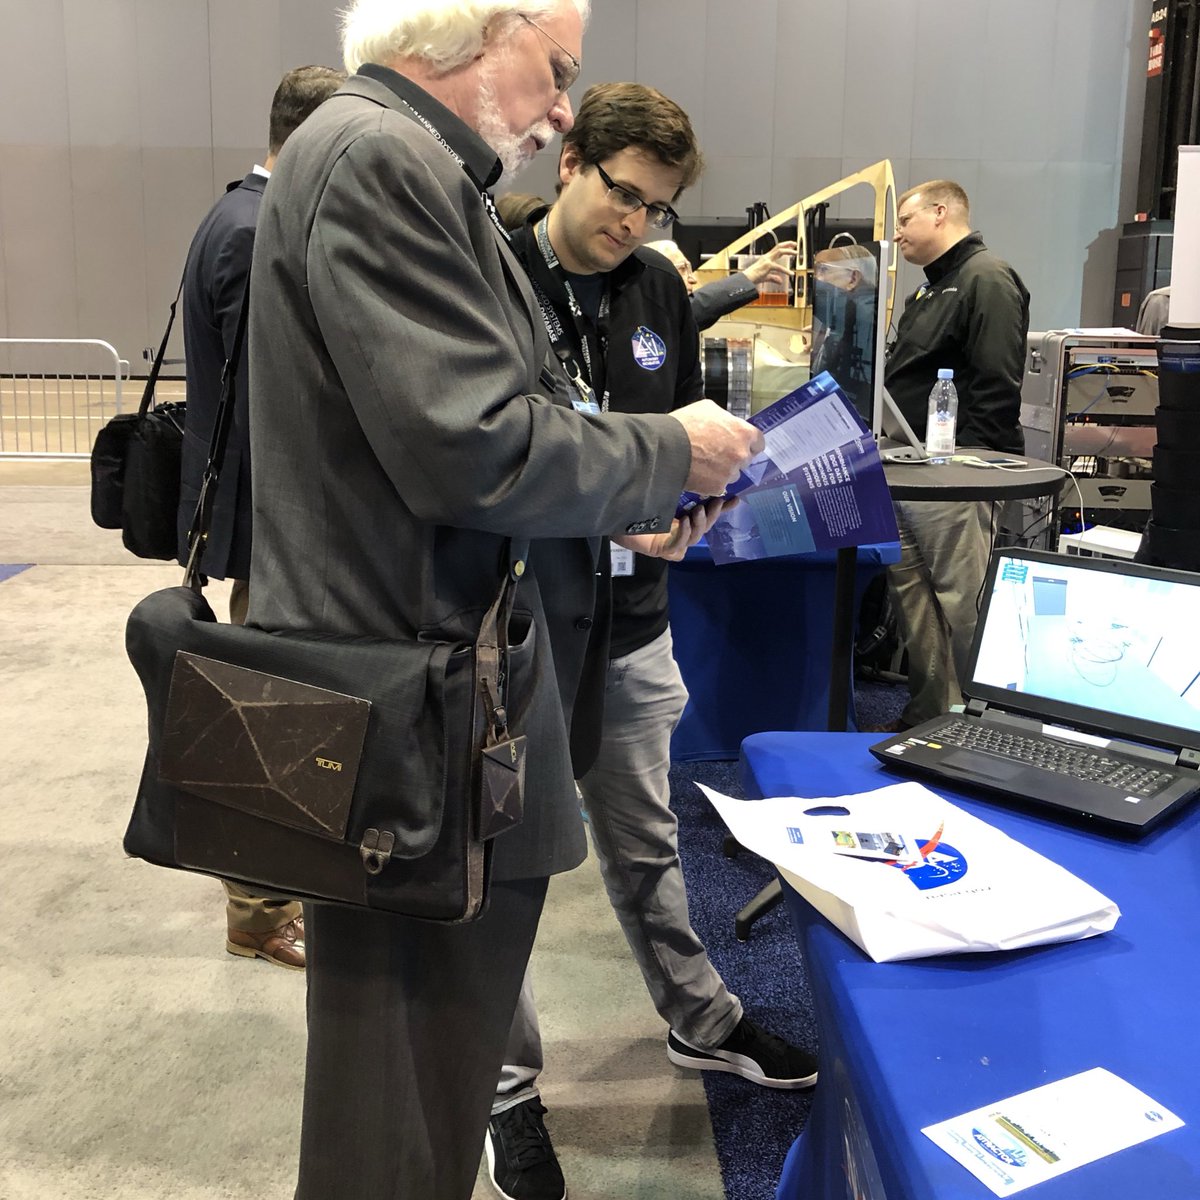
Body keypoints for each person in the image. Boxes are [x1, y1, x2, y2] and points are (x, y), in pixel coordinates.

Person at [245, 4, 763, 1198]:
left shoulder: (402, 160)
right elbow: (470, 444)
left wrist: (609, 498)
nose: (563, 108)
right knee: (401, 1103)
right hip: (413, 708)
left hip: (437, 690)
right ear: (473, 33)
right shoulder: (383, 157)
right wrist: (662, 452)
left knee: (423, 1083)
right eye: (558, 69)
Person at [489, 82, 819, 1200]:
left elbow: (678, 440)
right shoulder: (487, 270)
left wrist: (697, 508)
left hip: (631, 624)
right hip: (514, 631)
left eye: (655, 207)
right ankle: (503, 1089)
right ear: (570, 159)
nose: (631, 221)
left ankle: (700, 1020)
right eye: (620, 194)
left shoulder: (656, 294)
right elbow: (473, 455)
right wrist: (599, 495)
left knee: (645, 841)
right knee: (504, 868)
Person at [174, 63, 346, 970]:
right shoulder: (253, 229)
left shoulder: (239, 212)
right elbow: (268, 398)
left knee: (276, 712)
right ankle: (259, 914)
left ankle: (269, 900)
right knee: (266, 719)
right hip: (264, 521)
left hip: (265, 520)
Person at [879, 179, 1030, 730]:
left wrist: (970, 471)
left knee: (966, 606)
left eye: (905, 221)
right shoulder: (928, 291)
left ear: (941, 213)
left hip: (956, 477)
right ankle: (933, 716)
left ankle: (994, 727)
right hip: (907, 468)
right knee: (913, 604)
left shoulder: (986, 278)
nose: (896, 235)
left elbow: (996, 384)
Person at [645, 236, 798, 330]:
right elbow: (694, 309)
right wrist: (749, 275)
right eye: (683, 269)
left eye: (689, 268)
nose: (693, 279)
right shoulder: (649, 318)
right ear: (656, 276)